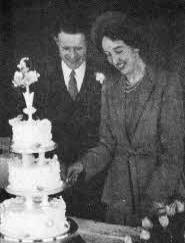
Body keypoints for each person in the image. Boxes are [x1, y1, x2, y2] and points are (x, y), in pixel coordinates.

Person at [66, 11, 185, 225]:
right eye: (108, 54)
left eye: (118, 51)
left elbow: (173, 155)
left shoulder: (167, 84)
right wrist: (83, 165)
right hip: (118, 200)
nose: (114, 60)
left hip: (158, 199)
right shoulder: (110, 87)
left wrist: (152, 199)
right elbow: (107, 144)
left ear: (135, 46)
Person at [43, 12, 108, 220]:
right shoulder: (40, 78)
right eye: (65, 48)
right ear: (56, 42)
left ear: (88, 43)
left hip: (95, 184)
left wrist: (85, 164)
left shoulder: (106, 76)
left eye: (79, 48)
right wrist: (54, 162)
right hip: (51, 183)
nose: (72, 55)